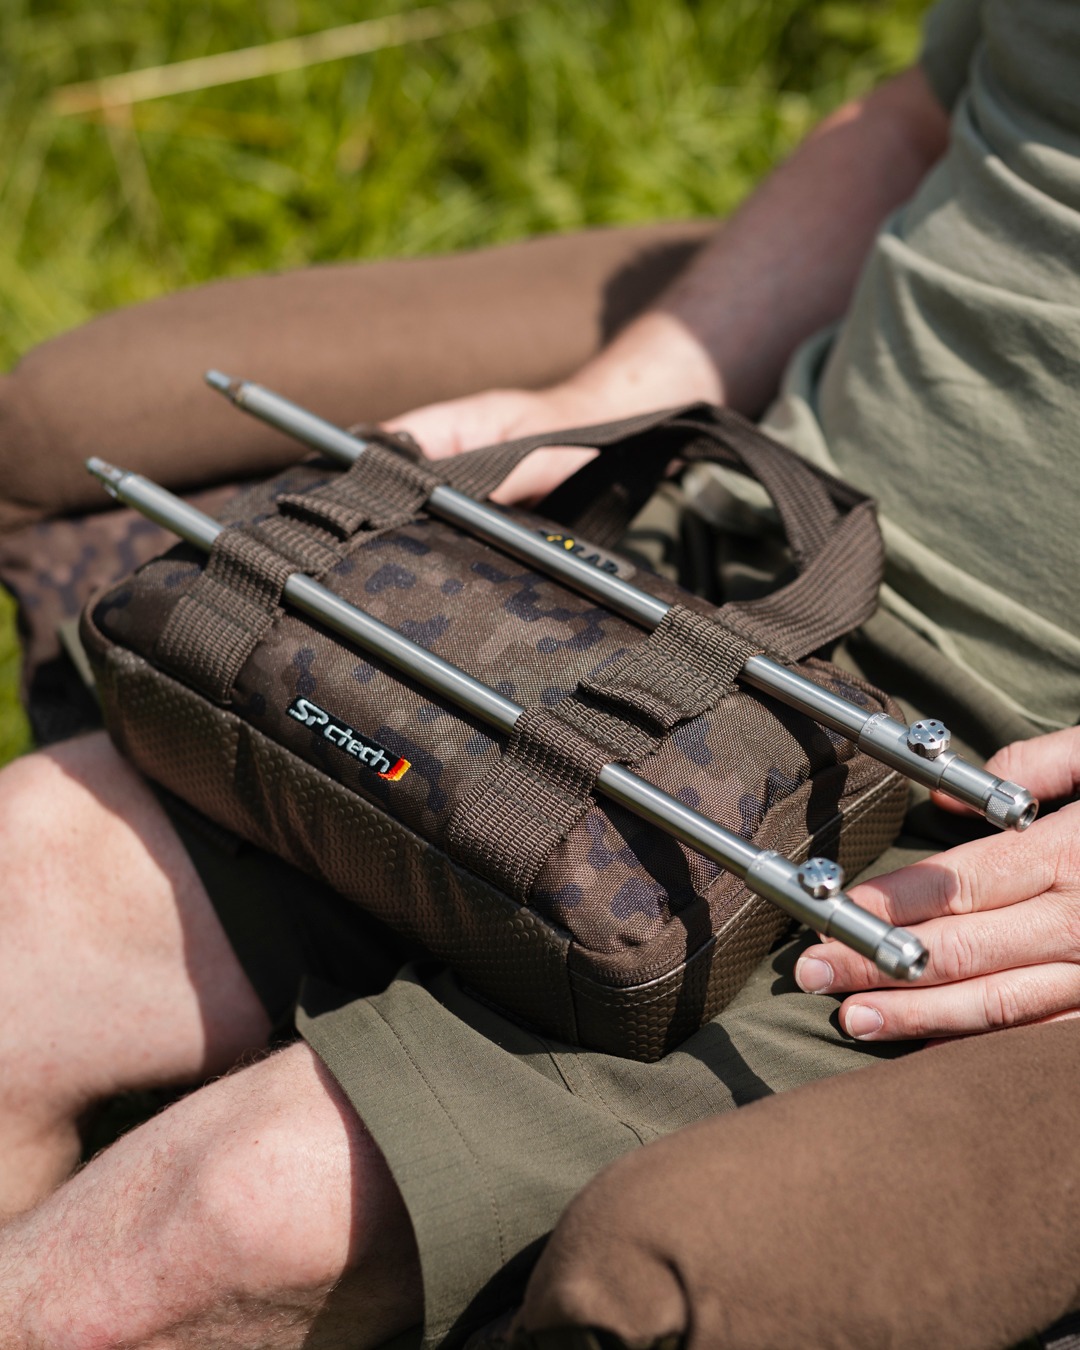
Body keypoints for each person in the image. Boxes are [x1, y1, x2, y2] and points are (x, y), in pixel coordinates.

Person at [0, 1, 1077, 1347]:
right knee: (23, 891)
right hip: (675, 582)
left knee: (236, 1211)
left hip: (984, 821)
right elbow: (924, 116)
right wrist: (606, 395)